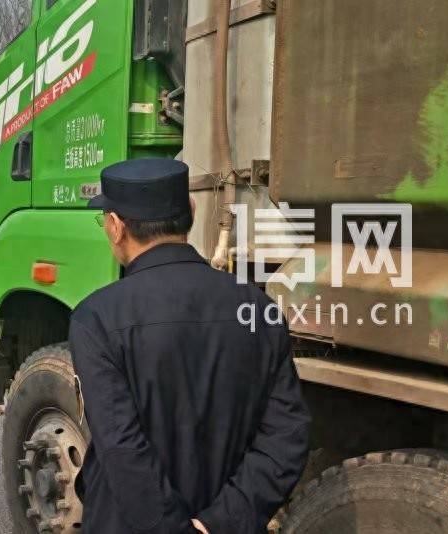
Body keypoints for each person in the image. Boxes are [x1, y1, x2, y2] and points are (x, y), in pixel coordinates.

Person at [71, 158, 311, 534]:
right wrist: (221, 520)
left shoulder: (96, 318)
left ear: (116, 227)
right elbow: (287, 436)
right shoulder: (260, 309)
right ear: (192, 213)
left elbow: (121, 447)